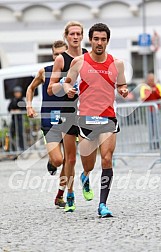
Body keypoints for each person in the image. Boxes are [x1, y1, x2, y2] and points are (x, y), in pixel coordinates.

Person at [64, 23, 128, 217]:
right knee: (89, 164)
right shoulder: (79, 62)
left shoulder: (117, 63)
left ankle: (102, 204)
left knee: (107, 159)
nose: (99, 43)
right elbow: (67, 82)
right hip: (86, 119)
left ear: (107, 41)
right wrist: (68, 90)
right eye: (96, 39)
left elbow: (122, 84)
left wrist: (123, 90)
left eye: (103, 39)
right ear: (90, 40)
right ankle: (85, 175)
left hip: (108, 117)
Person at [47, 21, 87, 212]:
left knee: (89, 154)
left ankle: (85, 177)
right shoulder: (61, 59)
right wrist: (64, 86)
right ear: (66, 36)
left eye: (78, 33)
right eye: (72, 34)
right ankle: (69, 194)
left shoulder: (88, 56)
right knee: (70, 159)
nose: (75, 37)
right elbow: (51, 88)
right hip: (67, 111)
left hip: (87, 109)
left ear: (82, 35)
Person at [26, 40, 67, 208]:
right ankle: (51, 162)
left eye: (61, 54)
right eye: (55, 54)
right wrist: (29, 105)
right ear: (52, 55)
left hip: (69, 119)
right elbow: (30, 88)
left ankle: (60, 195)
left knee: (69, 160)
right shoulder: (45, 72)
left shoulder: (74, 71)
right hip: (49, 121)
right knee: (58, 160)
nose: (58, 57)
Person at [140, 72, 161, 149]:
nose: (151, 81)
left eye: (152, 79)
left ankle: (157, 144)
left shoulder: (158, 86)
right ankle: (152, 144)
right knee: (151, 128)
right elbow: (143, 98)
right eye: (150, 79)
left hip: (157, 110)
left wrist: (155, 92)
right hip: (149, 110)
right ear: (147, 80)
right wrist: (150, 92)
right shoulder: (144, 87)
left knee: (158, 127)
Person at [8, 86, 26, 152]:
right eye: (16, 92)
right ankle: (13, 149)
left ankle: (22, 148)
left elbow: (24, 109)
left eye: (18, 92)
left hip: (19, 120)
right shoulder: (13, 100)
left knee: (20, 134)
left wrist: (19, 111)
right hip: (13, 120)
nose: (17, 94)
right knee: (12, 134)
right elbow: (9, 108)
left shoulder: (22, 100)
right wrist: (13, 111)